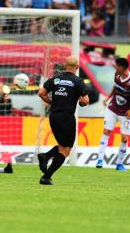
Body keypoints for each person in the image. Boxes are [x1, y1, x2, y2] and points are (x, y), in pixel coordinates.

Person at [37, 57, 89, 185]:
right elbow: (85, 101)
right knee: (66, 150)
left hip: (53, 116)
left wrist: (53, 102)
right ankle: (46, 177)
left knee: (62, 146)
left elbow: (41, 93)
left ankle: (46, 156)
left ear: (65, 66)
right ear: (77, 67)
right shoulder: (77, 81)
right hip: (67, 117)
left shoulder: (56, 79)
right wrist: (80, 102)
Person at [96, 58, 130, 171]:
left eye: (117, 66)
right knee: (106, 131)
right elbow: (115, 87)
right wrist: (108, 98)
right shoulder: (117, 75)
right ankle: (100, 160)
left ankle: (119, 164)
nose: (115, 68)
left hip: (126, 113)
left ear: (123, 68)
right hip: (113, 109)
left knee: (124, 139)